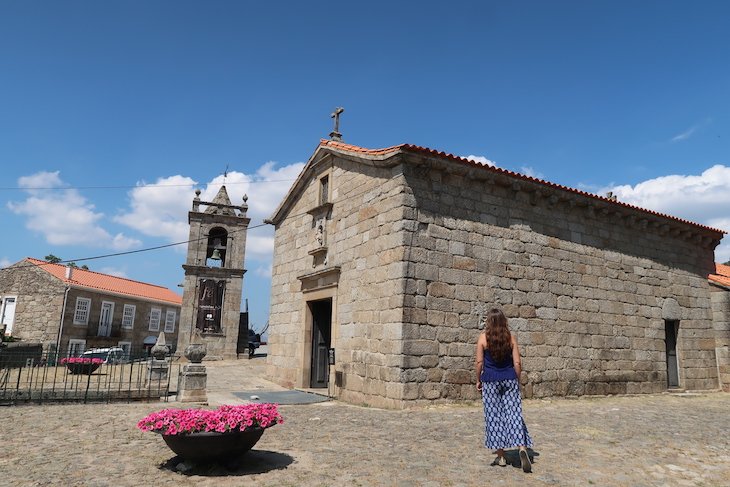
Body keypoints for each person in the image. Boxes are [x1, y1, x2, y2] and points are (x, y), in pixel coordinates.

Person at [475, 308, 533, 472]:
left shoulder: (483, 338)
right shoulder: (511, 338)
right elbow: (517, 363)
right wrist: (517, 379)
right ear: (504, 322)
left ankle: (501, 457)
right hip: (509, 379)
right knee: (514, 413)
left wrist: (478, 379)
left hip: (491, 381)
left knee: (494, 417)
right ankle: (522, 447)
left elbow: (479, 363)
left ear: (489, 322)